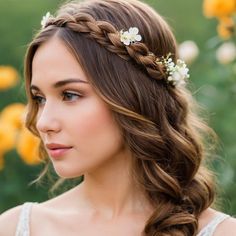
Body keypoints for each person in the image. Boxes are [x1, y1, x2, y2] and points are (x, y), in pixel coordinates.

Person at [0, 0, 236, 235]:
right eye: (40, 98)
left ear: (133, 96)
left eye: (70, 95)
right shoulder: (15, 228)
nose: (43, 123)